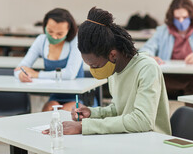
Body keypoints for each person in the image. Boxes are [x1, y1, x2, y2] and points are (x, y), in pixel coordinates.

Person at [44, 7, 171, 135]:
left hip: (152, 141)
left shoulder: (147, 68)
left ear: (113, 55)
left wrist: (84, 126)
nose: (93, 71)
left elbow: (143, 121)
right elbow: (118, 110)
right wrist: (92, 113)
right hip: (128, 138)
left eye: (95, 65)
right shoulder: (113, 69)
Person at [14, 8, 85, 112]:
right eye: (50, 31)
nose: (54, 37)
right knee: (48, 112)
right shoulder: (41, 40)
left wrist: (37, 74)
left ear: (69, 31)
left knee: (65, 113)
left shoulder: (76, 41)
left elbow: (70, 74)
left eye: (60, 34)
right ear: (44, 27)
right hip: (55, 95)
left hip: (78, 96)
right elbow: (20, 67)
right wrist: (21, 74)